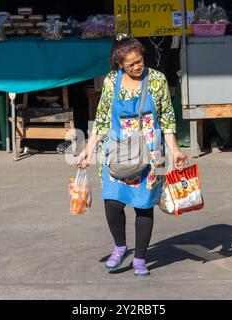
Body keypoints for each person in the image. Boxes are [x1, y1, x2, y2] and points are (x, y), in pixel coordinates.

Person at [77, 35, 188, 277]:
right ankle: (120, 246)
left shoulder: (156, 80)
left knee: (143, 206)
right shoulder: (110, 81)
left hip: (150, 156)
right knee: (113, 203)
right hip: (117, 153)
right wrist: (87, 150)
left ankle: (140, 258)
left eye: (139, 61)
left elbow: (167, 120)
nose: (138, 66)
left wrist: (175, 150)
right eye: (131, 64)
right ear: (119, 64)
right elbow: (103, 119)